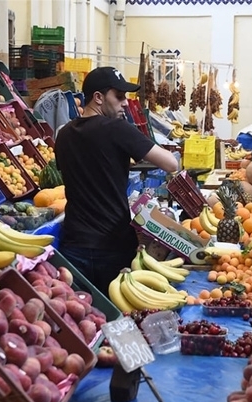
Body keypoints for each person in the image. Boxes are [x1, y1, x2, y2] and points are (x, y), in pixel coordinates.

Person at [54, 66, 179, 296]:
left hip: (74, 246)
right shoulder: (116, 128)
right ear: (98, 98)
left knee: (82, 320)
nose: (124, 103)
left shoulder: (63, 134)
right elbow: (171, 164)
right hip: (112, 246)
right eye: (119, 97)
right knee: (116, 319)